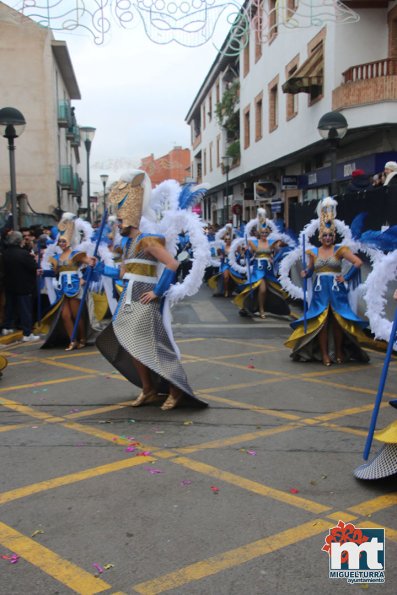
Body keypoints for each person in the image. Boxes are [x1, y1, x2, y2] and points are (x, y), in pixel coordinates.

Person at [96, 170, 208, 411]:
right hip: (129, 295)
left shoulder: (149, 240)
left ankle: (176, 391)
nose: (118, 225)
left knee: (155, 345)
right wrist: (98, 268)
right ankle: (148, 389)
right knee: (132, 344)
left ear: (131, 219)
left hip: (145, 295)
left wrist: (157, 291)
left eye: (120, 221)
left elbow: (172, 264)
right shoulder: (126, 243)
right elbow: (124, 274)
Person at [285, 198, 370, 365]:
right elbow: (310, 271)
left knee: (338, 321)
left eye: (330, 235)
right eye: (325, 235)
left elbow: (358, 263)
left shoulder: (340, 250)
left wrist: (345, 277)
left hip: (337, 290)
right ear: (320, 236)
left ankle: (338, 352)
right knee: (321, 323)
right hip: (319, 291)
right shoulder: (313, 252)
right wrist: (305, 273)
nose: (328, 238)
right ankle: (324, 354)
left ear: (334, 235)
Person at [40, 213, 96, 350]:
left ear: (69, 241)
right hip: (61, 288)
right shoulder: (56, 257)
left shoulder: (76, 255)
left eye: (64, 241)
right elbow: (55, 273)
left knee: (76, 315)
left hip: (75, 286)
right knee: (65, 316)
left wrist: (85, 276)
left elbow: (91, 265)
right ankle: (73, 340)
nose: (62, 243)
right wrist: (43, 272)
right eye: (60, 241)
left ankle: (82, 337)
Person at [2, 231, 40, 342]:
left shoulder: (5, 253)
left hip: (9, 285)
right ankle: (27, 333)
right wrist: (33, 259)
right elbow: (33, 267)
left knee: (9, 307)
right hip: (23, 286)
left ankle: (7, 327)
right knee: (25, 310)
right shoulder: (24, 254)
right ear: (19, 241)